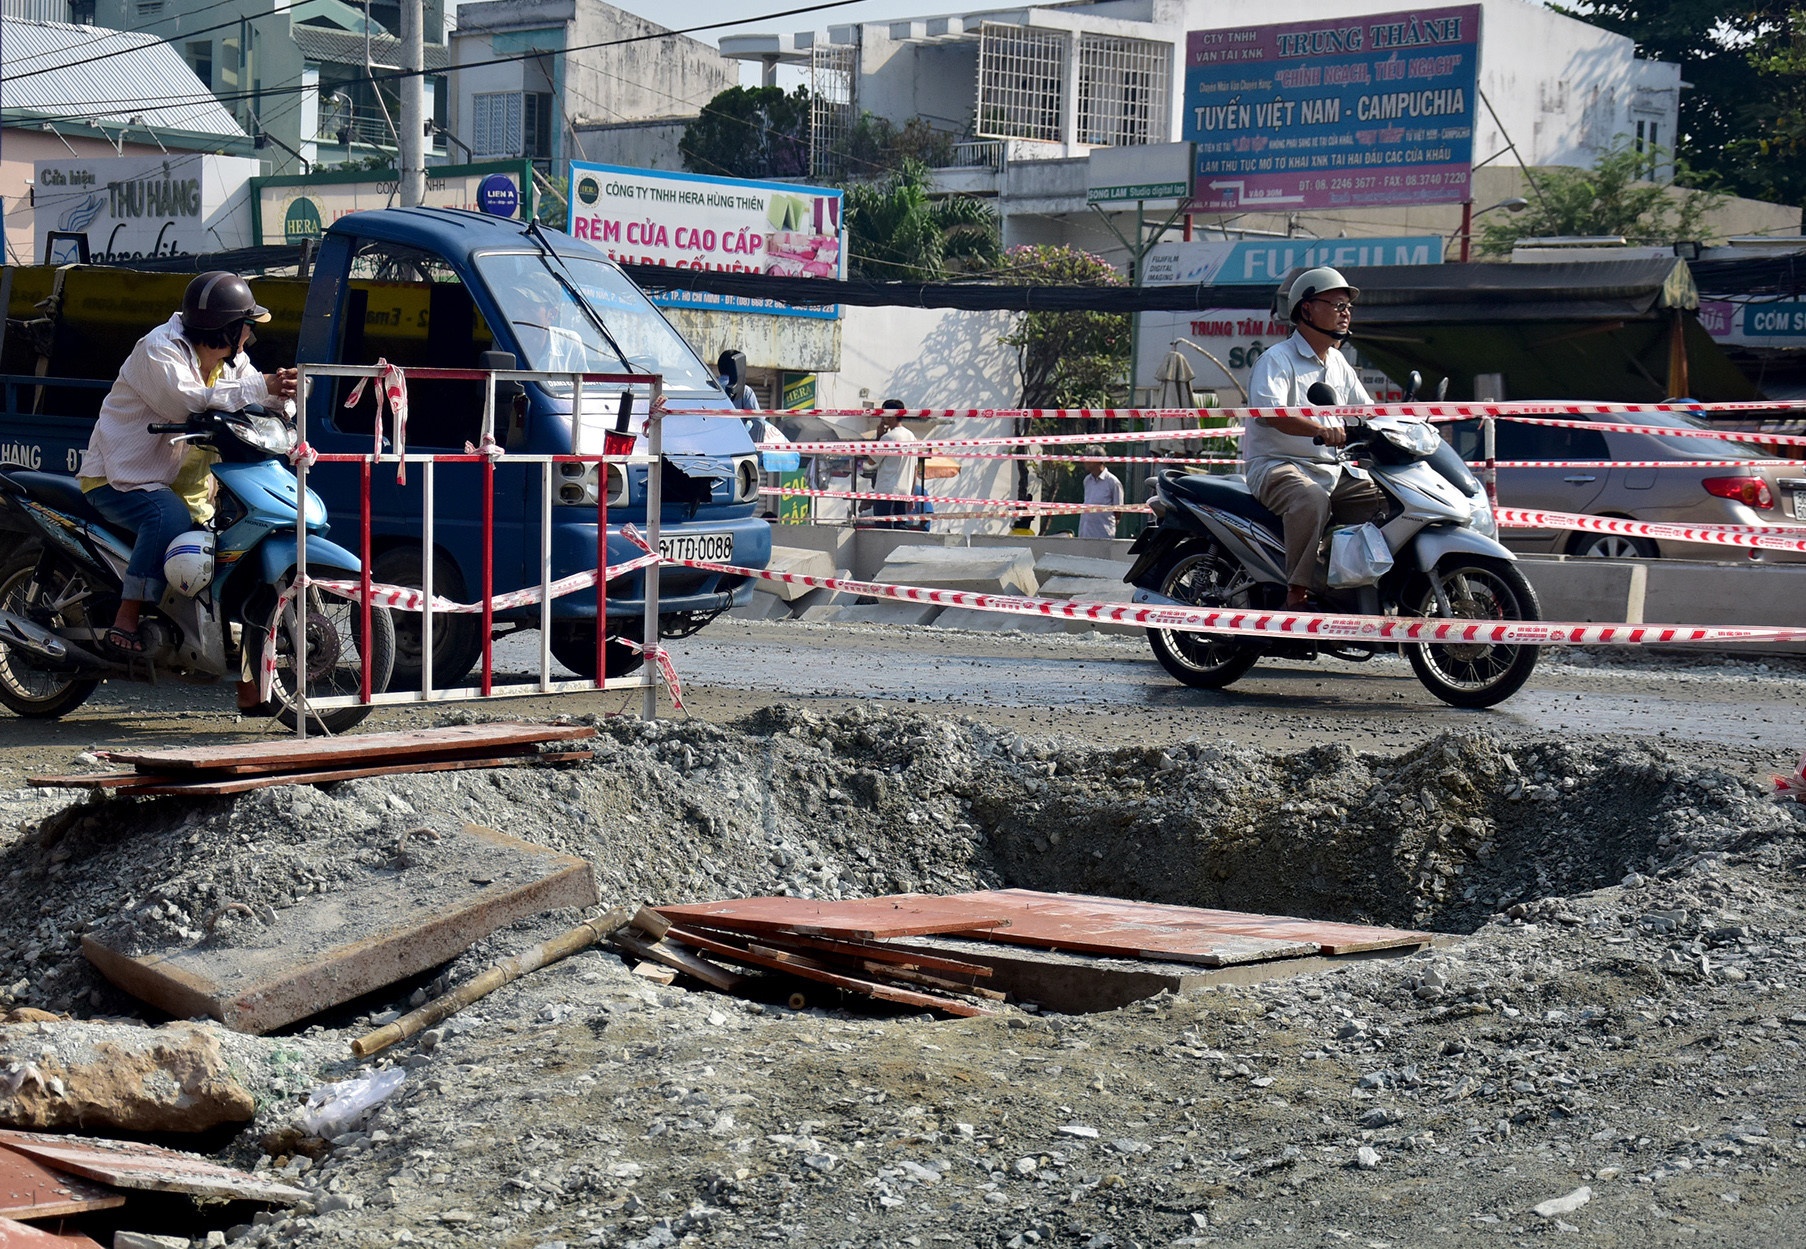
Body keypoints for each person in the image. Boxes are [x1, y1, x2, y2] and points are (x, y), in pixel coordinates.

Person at [78, 271, 297, 680]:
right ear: (228, 329)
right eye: (246, 327)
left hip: (189, 485)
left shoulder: (233, 361)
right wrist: (261, 386)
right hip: (123, 478)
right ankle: (126, 620)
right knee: (168, 518)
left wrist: (283, 395)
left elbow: (254, 392)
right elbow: (187, 403)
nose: (250, 336)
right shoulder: (158, 349)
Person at [1244, 266, 1387, 609]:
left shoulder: (1338, 362)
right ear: (1306, 309)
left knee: (1387, 501)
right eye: (1337, 304)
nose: (1346, 312)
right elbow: (1271, 412)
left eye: (1347, 306)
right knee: (1311, 499)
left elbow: (1366, 411)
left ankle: (1352, 585)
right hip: (1278, 466)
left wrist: (1411, 423)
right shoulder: (1276, 360)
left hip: (1332, 469)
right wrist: (1320, 429)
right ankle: (1296, 594)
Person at [866, 398, 924, 528]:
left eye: (884, 412)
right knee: (899, 528)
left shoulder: (888, 437)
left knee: (882, 528)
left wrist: (878, 437)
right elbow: (915, 469)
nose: (882, 416)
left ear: (891, 415)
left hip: (886, 490)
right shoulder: (911, 437)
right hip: (903, 491)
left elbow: (871, 461)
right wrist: (910, 493)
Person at [1077, 454, 1124, 539]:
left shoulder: (1113, 482)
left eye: (1088, 458)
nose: (1085, 461)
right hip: (1085, 533)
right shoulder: (1087, 481)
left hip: (1103, 534)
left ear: (1098, 461)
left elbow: (1118, 511)